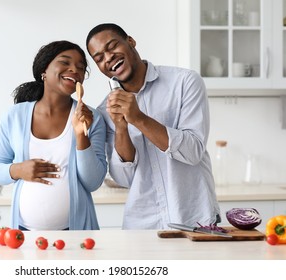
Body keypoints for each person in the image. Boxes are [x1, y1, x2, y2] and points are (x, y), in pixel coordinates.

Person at [86, 23, 220, 230]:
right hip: (142, 224)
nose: (108, 57)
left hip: (194, 217)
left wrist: (138, 118)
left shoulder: (185, 82)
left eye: (112, 47)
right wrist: (121, 128)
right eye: (99, 58)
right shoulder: (106, 110)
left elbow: (193, 151)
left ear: (130, 41)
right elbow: (124, 179)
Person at [0, 40, 107, 230]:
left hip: (76, 233)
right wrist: (18, 170)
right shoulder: (15, 116)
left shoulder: (94, 119)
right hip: (23, 234)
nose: (74, 69)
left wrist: (81, 134)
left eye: (81, 67)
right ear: (44, 71)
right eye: (65, 62)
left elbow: (92, 182)